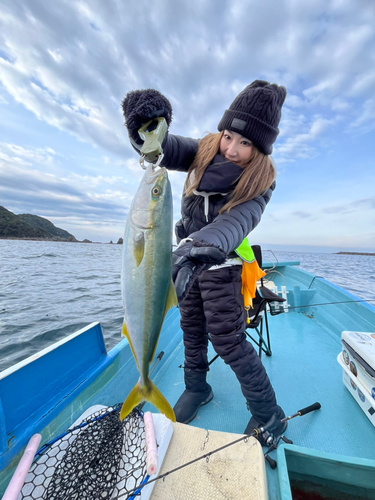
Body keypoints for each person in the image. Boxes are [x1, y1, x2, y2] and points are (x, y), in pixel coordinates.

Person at [121, 80, 287, 442]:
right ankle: (197, 389)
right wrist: (146, 126)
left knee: (229, 343)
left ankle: (270, 415)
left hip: (221, 266)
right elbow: (165, 149)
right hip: (185, 265)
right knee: (191, 332)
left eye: (246, 144)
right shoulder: (204, 149)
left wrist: (194, 248)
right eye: (230, 136)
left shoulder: (260, 182)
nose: (232, 149)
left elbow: (235, 224)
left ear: (260, 150)